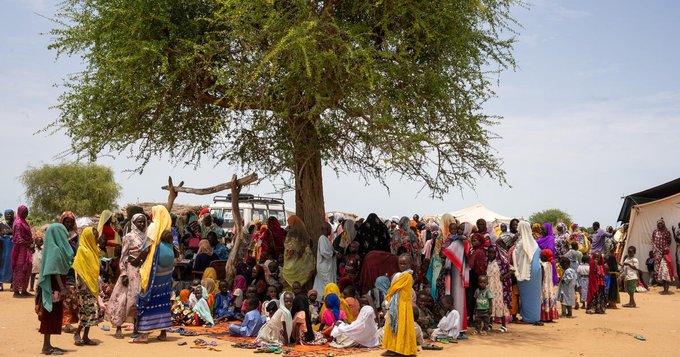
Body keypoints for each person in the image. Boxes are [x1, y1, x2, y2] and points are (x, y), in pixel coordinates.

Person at [134, 205, 175, 343]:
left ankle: (144, 334)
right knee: (163, 299)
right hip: (168, 270)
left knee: (148, 297)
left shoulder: (153, 227)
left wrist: (136, 261)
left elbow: (146, 249)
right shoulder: (169, 227)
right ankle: (163, 333)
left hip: (155, 268)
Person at [107, 213, 147, 338]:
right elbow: (124, 256)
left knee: (137, 299)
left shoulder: (146, 237)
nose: (141, 224)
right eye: (139, 222)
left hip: (142, 270)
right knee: (123, 298)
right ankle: (118, 327)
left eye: (143, 222)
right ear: (134, 223)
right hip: (130, 270)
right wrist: (123, 272)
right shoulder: (128, 237)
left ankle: (136, 327)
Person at [37, 223, 75, 355]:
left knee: (54, 314)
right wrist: (62, 288)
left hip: (56, 286)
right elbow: (54, 270)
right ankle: (46, 347)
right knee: (50, 314)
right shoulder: (55, 249)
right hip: (54, 287)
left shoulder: (55, 248)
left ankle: (48, 344)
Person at [382, 254, 417, 356]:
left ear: (410, 264)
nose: (402, 266)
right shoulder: (401, 275)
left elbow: (393, 289)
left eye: (404, 263)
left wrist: (388, 297)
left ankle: (403, 349)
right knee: (393, 326)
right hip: (396, 305)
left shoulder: (407, 276)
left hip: (403, 306)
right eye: (400, 263)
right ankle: (392, 348)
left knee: (402, 327)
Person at [72, 227, 101, 346]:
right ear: (89, 237)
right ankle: (77, 333)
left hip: (92, 285)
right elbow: (79, 269)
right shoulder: (82, 251)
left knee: (92, 311)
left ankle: (85, 336)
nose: (97, 239)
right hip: (84, 286)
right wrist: (83, 285)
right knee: (86, 311)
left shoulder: (94, 251)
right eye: (95, 237)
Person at [512, 221, 543, 325]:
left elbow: (516, 256)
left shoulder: (522, 243)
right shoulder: (533, 242)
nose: (517, 230)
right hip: (536, 270)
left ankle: (528, 318)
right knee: (535, 295)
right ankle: (535, 316)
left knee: (526, 295)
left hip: (526, 271)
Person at [282, 216, 315, 290]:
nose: (289, 224)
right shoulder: (304, 233)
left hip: (292, 263)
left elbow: (289, 248)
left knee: (290, 281)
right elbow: (309, 244)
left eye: (289, 223)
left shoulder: (292, 233)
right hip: (302, 263)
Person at [11, 205, 33, 297]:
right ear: (20, 212)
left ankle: (24, 290)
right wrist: (29, 243)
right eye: (25, 212)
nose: (26, 214)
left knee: (27, 268)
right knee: (19, 269)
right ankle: (16, 292)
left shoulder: (24, 222)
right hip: (20, 250)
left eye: (27, 212)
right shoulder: (18, 223)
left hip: (26, 249)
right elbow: (18, 238)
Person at [486, 246, 509, 332]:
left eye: (493, 252)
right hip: (489, 287)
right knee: (490, 305)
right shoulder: (488, 263)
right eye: (489, 252)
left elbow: (512, 269)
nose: (491, 254)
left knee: (499, 304)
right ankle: (490, 324)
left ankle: (503, 325)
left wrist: (504, 277)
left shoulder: (500, 263)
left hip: (498, 288)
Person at [652, 218, 675, 294]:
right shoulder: (655, 232)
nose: (659, 225)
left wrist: (665, 249)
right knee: (657, 267)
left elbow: (669, 241)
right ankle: (658, 282)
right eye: (658, 224)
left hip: (664, 253)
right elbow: (652, 240)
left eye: (661, 223)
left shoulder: (667, 232)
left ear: (663, 224)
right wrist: (655, 249)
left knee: (665, 269)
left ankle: (665, 287)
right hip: (656, 252)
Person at [313, 222, 337, 294]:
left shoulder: (327, 239)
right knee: (325, 285)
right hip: (325, 268)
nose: (331, 231)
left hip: (327, 267)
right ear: (326, 229)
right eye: (330, 229)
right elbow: (324, 252)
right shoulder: (322, 238)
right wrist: (334, 253)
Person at [539, 249, 558, 322]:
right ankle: (550, 316)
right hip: (550, 285)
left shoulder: (542, 265)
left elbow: (542, 276)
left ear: (544, 257)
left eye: (541, 255)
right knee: (550, 299)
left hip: (544, 285)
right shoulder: (549, 264)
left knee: (544, 298)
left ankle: (544, 317)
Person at [0, 209, 14, 291]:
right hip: (3, 248)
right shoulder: (1, 225)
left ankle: (13, 284)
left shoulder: (16, 225)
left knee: (13, 265)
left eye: (10, 214)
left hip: (12, 248)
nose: (9, 216)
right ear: (4, 215)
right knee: (1, 264)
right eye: (7, 214)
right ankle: (0, 284)